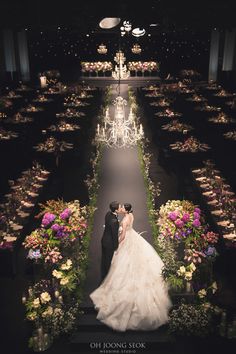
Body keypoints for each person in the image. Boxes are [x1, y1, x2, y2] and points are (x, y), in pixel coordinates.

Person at [90, 203, 172, 332]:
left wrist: (118, 244)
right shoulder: (131, 215)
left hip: (128, 239)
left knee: (125, 265)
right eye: (120, 207)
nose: (121, 209)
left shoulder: (124, 219)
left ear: (125, 210)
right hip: (133, 236)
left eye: (123, 207)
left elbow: (122, 236)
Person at [100, 201, 122, 281]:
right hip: (109, 243)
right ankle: (107, 279)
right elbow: (114, 235)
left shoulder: (108, 213)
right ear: (116, 210)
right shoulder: (114, 221)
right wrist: (116, 246)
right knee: (108, 261)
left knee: (104, 259)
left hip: (104, 240)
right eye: (119, 207)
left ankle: (104, 275)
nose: (121, 208)